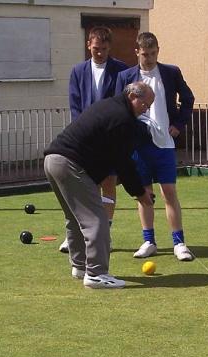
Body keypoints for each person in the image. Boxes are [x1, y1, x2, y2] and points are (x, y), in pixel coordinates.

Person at [44, 82, 155, 289]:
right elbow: (123, 163)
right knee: (96, 219)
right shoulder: (123, 119)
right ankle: (96, 273)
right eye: (144, 103)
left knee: (74, 217)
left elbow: (110, 156)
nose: (146, 109)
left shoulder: (111, 107)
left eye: (149, 105)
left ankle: (80, 267)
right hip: (70, 163)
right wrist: (140, 193)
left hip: (53, 160)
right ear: (132, 95)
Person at [115, 32, 195, 261]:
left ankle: (179, 243)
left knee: (169, 192)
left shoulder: (171, 72)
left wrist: (179, 123)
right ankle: (149, 241)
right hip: (138, 146)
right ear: (136, 52)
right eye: (144, 54)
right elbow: (119, 107)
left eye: (152, 53)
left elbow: (188, 99)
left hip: (165, 144)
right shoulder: (125, 77)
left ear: (158, 50)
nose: (148, 58)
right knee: (144, 194)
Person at [59, 26, 129, 253]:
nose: (100, 53)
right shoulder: (78, 71)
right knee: (82, 188)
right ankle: (76, 236)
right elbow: (75, 105)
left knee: (108, 184)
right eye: (96, 49)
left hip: (109, 140)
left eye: (104, 49)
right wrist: (85, 132)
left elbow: (122, 105)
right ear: (88, 45)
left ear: (110, 48)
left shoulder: (121, 71)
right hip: (85, 141)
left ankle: (104, 234)